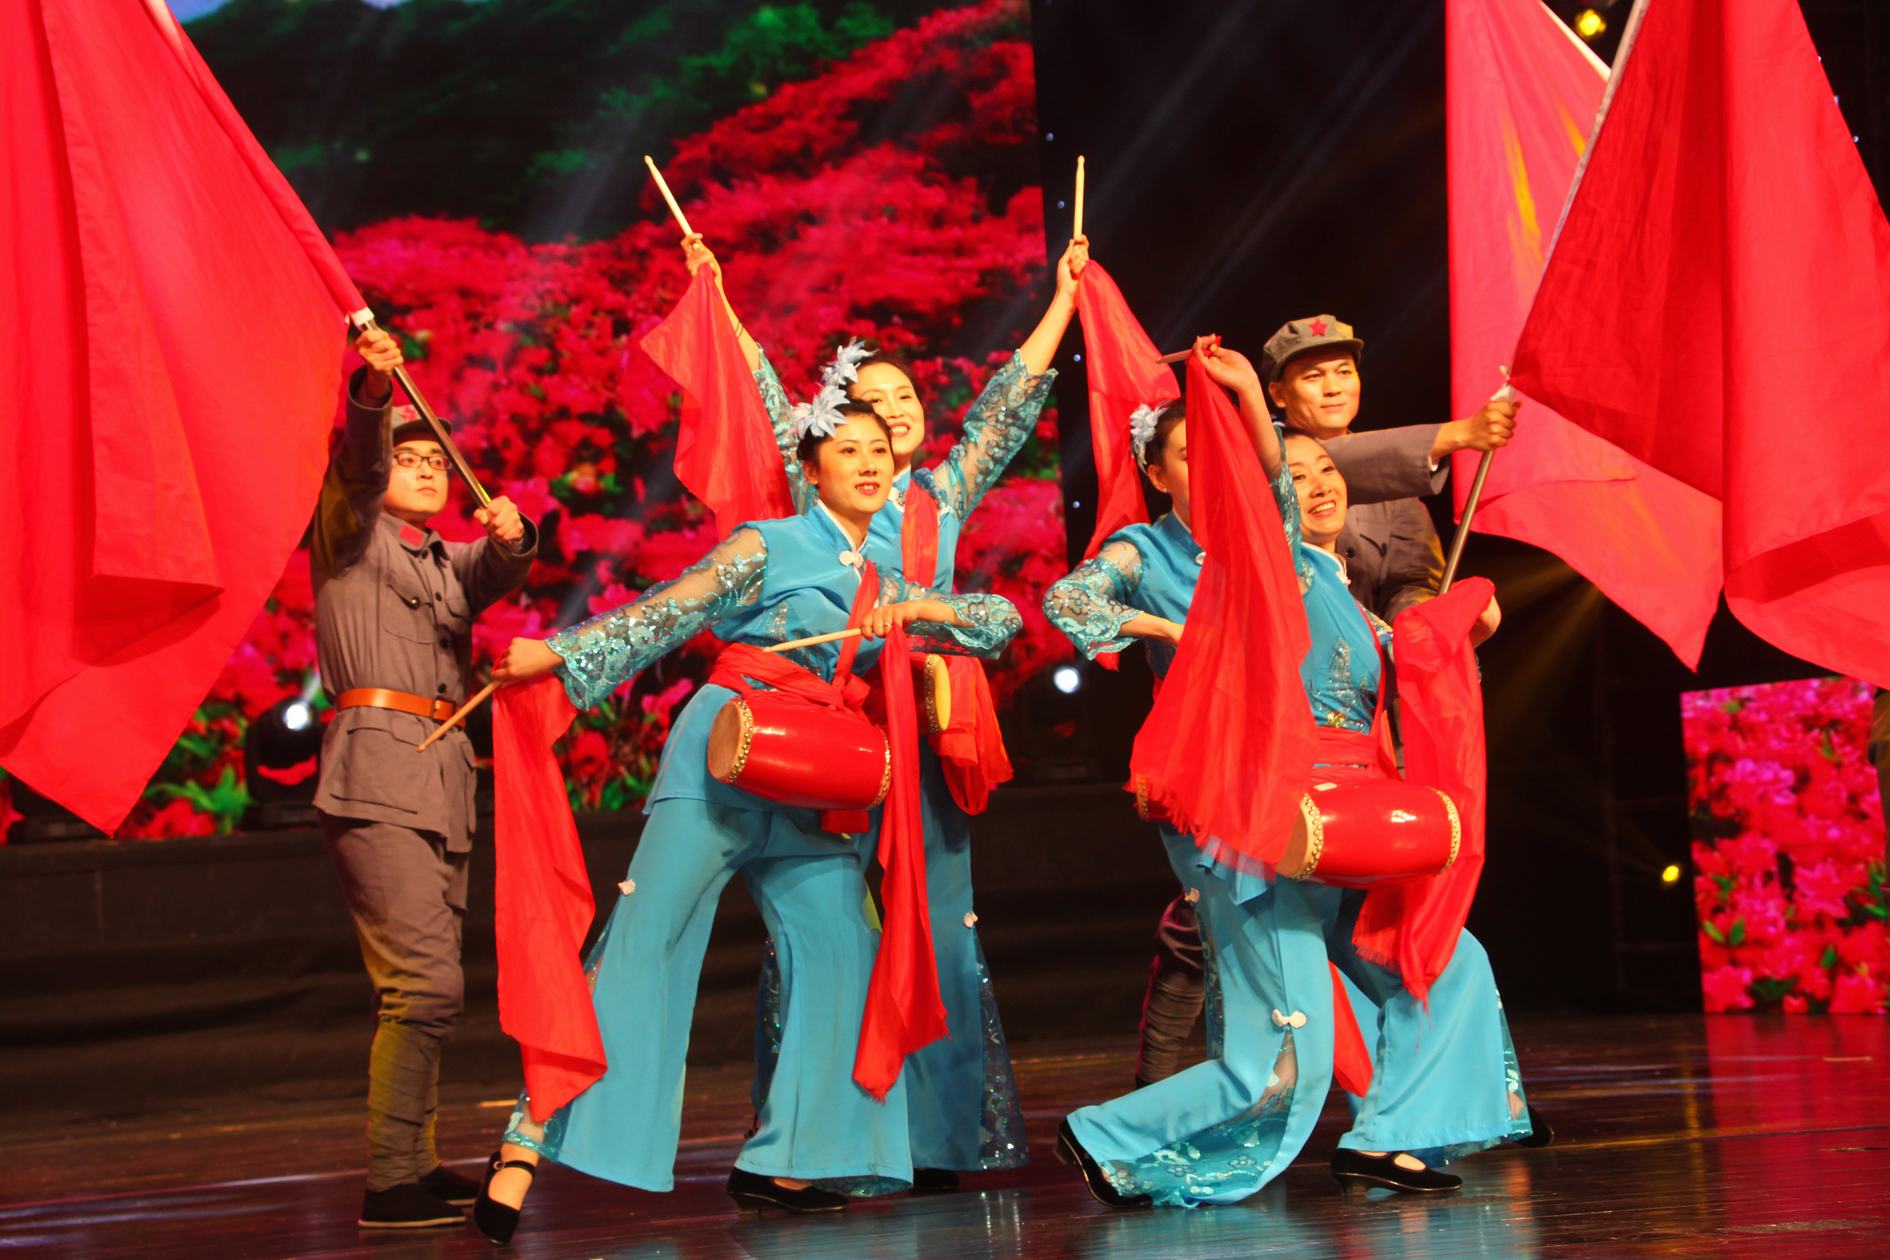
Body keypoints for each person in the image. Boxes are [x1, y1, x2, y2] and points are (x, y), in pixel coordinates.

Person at [470, 400, 1023, 1242]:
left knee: (844, 951)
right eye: (848, 449)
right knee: (643, 942)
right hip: (724, 754)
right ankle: (526, 1141)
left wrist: (923, 614)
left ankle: (789, 1159)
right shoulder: (768, 543)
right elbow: (675, 606)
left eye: (879, 450)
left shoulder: (885, 580)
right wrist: (560, 651)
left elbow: (1000, 622)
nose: (869, 463)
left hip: (812, 775)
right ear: (812, 468)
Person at [1042, 339, 1528, 1207]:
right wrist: (1167, 631)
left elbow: (1392, 650)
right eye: (1190, 454)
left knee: (1444, 958)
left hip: (1342, 806)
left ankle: (1390, 1136)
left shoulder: (1299, 560)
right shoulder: (1150, 553)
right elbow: (1069, 601)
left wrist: (1459, 626)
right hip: (1240, 801)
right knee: (1284, 1049)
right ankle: (1111, 1134)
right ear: (1158, 473)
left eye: (1226, 451)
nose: (1215, 468)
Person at [680, 232, 1087, 1188]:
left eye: (906, 398)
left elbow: (1007, 403)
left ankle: (936, 1139)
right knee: (822, 924)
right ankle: (810, 1135)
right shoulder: (818, 495)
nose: (895, 412)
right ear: (837, 431)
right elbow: (763, 394)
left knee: (939, 926)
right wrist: (719, 299)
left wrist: (1064, 302)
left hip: (922, 731)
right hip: (833, 725)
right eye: (871, 402)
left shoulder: (941, 496)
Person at [1132, 313, 1521, 1090]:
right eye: (1313, 374)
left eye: (1344, 369)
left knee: (1394, 921)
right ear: (1278, 395)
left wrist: (1432, 631)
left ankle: (1452, 1090)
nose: (1334, 385)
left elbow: (1412, 591)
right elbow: (1291, 477)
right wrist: (1451, 436)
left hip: (1366, 729)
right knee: (1236, 917)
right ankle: (1227, 1090)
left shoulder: (1390, 500)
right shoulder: (1274, 495)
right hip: (1266, 743)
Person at [313, 327, 537, 1229]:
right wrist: (374, 390)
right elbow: (359, 469)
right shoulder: (348, 534)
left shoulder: (441, 561)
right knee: (424, 984)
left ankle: (412, 1161)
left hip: (440, 779)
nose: (427, 469)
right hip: (376, 769)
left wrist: (515, 536)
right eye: (410, 459)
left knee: (430, 984)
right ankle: (388, 1180)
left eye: (437, 461)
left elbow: (497, 569)